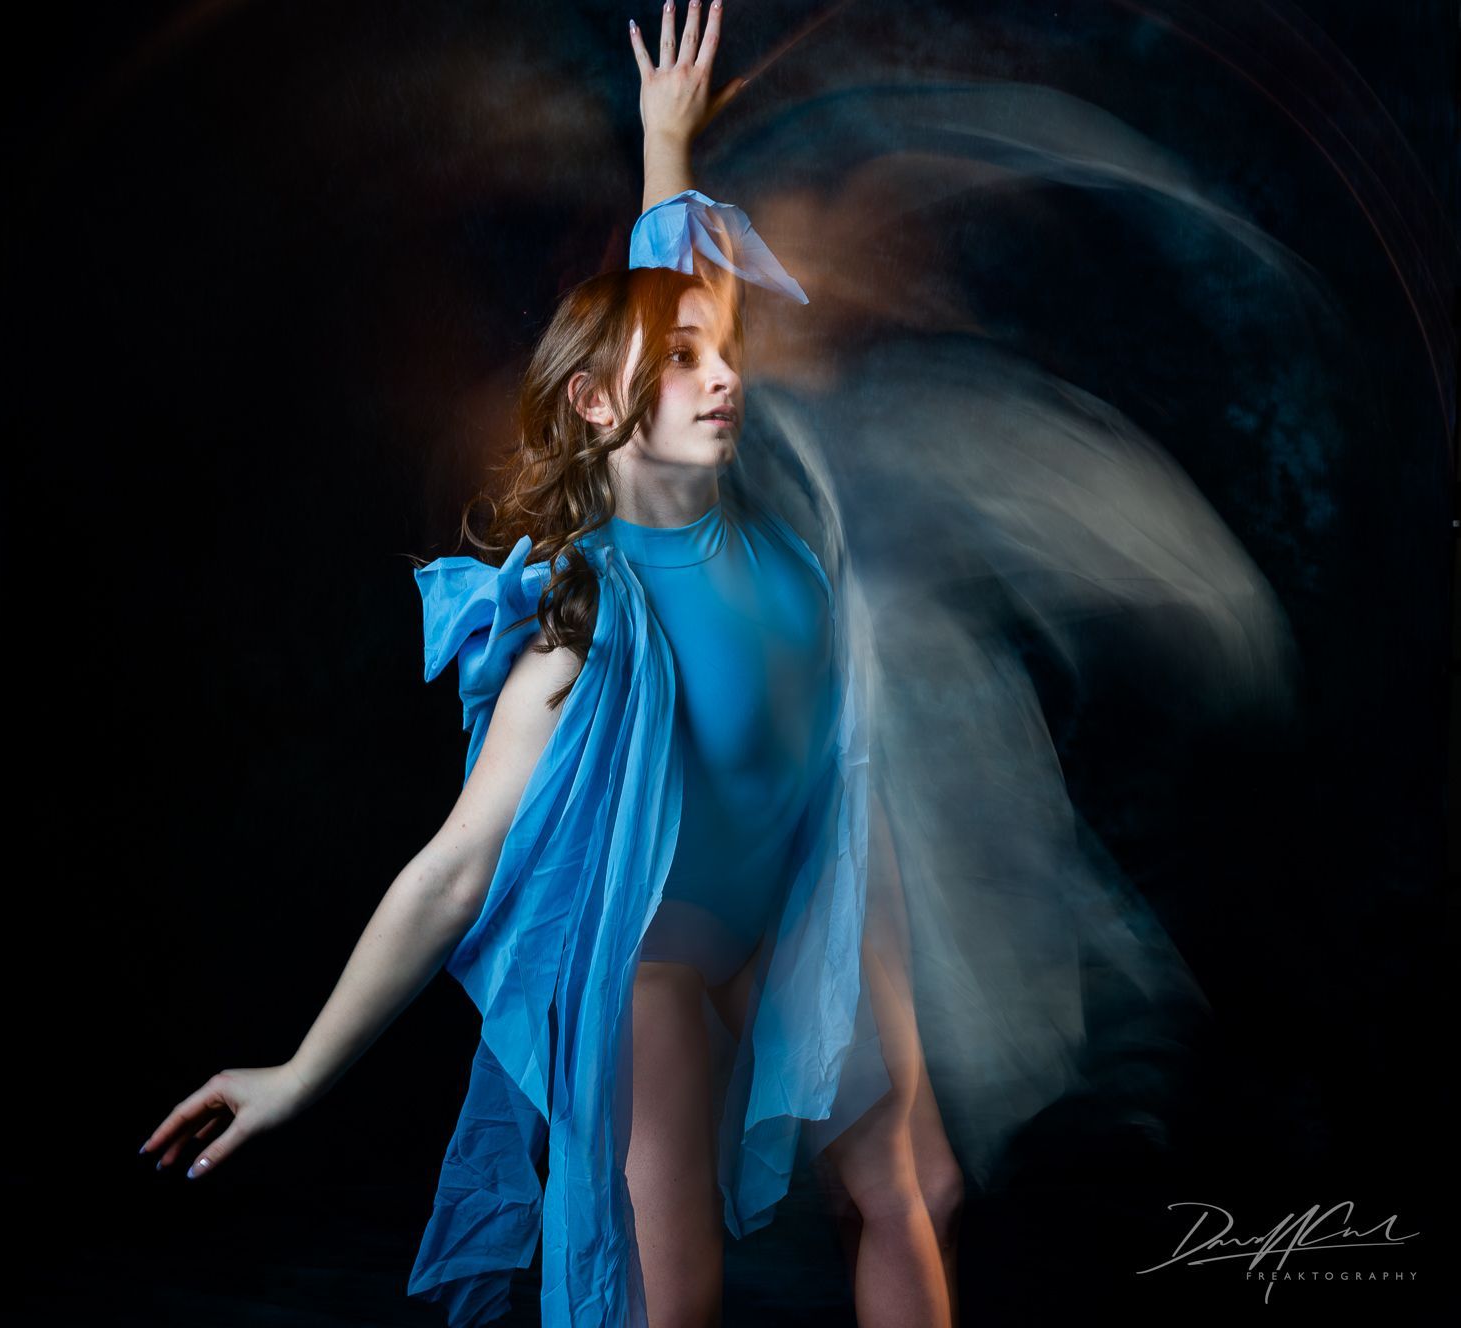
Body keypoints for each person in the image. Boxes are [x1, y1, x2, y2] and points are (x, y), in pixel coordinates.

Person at [139, 4, 964, 1324]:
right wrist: (298, 1073)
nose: (721, 380)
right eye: (681, 363)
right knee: (666, 1277)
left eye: (726, 354)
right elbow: (453, 869)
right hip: (665, 964)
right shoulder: (583, 628)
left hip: (814, 902)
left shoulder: (773, 544)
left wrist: (664, 139)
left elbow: (666, 268)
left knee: (914, 1183)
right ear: (598, 402)